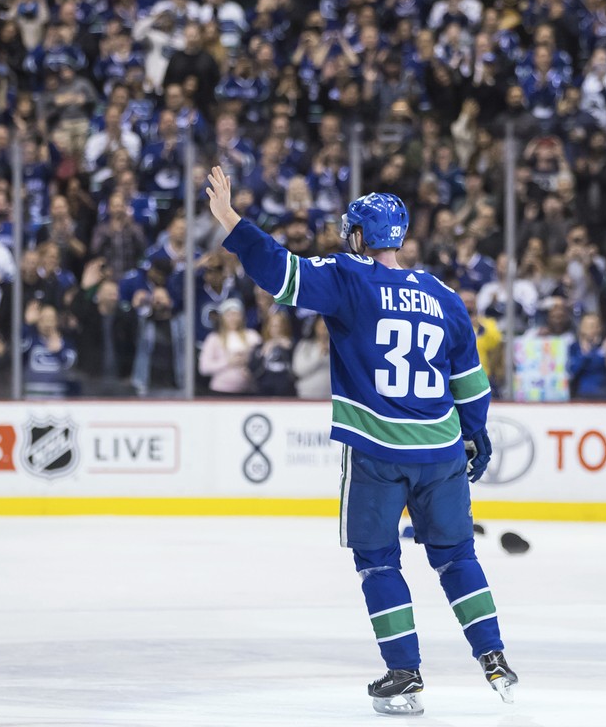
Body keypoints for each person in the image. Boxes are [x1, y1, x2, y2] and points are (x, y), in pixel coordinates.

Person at [206, 167, 516, 716]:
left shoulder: (349, 276)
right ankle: (493, 657)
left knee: (378, 560)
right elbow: (471, 384)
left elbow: (280, 273)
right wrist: (475, 434)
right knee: (457, 556)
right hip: (441, 451)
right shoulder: (444, 295)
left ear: (358, 237)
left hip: (377, 454)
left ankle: (405, 672)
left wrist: (232, 221)